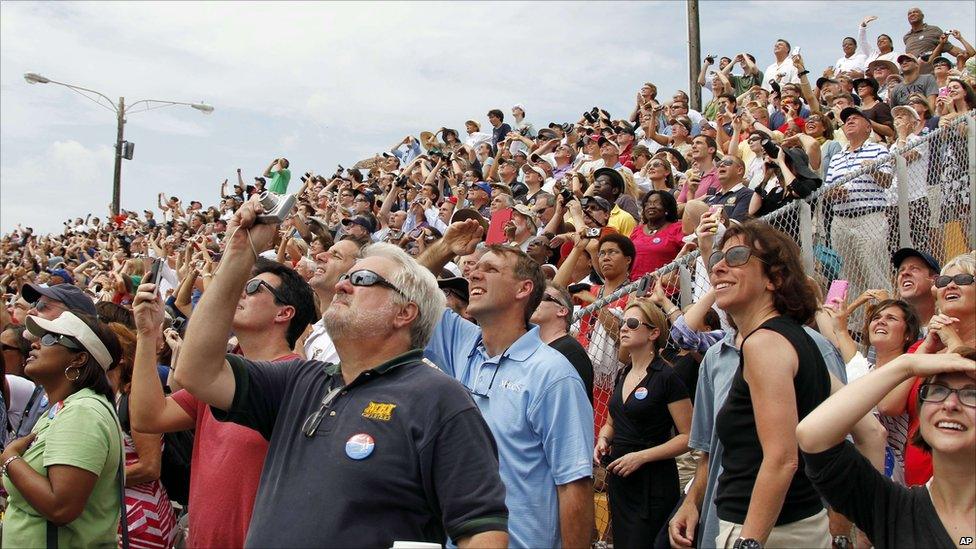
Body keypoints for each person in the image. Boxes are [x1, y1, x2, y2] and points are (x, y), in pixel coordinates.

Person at [170, 199, 509, 547]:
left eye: (362, 279)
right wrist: (240, 253)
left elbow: (482, 532)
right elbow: (196, 371)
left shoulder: (440, 398)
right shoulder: (299, 381)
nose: (342, 286)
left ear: (405, 312)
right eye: (346, 277)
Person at [420, 221, 593, 548]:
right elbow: (400, 288)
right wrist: (444, 248)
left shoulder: (552, 374)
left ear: (524, 289)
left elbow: (574, 486)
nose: (474, 274)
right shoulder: (462, 343)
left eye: (491, 269)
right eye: (475, 268)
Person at [129, 259, 315, 548]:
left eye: (253, 288)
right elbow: (149, 417)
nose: (239, 293)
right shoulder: (220, 376)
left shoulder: (298, 381)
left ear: (284, 312)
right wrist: (146, 335)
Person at [709, 220, 832, 548]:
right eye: (716, 258)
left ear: (775, 278)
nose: (719, 266)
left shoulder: (763, 344)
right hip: (804, 525)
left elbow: (782, 459)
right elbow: (869, 434)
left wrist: (749, 542)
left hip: (767, 532)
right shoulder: (799, 341)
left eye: (736, 256)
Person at [796, 349, 975, 548]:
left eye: (971, 394)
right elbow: (813, 436)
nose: (950, 404)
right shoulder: (893, 510)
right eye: (938, 390)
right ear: (921, 413)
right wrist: (906, 365)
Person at [1, 312, 124, 548]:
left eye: (49, 339)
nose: (34, 344)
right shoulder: (65, 407)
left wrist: (10, 459)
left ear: (78, 359)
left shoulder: (83, 413)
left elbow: (61, 507)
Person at [594, 300, 692, 548]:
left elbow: (689, 436)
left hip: (653, 482)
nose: (623, 328)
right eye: (622, 323)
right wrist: (604, 439)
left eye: (632, 323)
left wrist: (642, 457)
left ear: (653, 332)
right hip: (621, 479)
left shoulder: (667, 377)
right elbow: (611, 422)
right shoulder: (622, 373)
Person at [825, 297, 921, 484]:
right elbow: (844, 340)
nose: (881, 321)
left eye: (891, 318)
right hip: (852, 458)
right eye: (876, 317)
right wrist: (839, 323)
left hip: (889, 469)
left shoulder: (909, 369)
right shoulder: (865, 368)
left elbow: (886, 406)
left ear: (908, 334)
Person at [107, 323, 177, 549]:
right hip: (119, 516)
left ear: (118, 359)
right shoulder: (108, 396)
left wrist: (92, 480)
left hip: (141, 523)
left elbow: (150, 467)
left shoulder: (134, 397)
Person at [824, 107, 893, 304]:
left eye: (855, 118)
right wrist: (834, 193)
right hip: (840, 220)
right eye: (846, 120)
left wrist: (872, 170)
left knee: (875, 271)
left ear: (868, 127)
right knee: (846, 275)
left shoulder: (879, 149)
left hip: (869, 217)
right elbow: (827, 191)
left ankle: (885, 315)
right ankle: (853, 326)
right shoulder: (837, 157)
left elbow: (886, 181)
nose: (850, 121)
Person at [301, 237, 363, 362]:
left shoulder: (348, 337)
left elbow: (313, 381)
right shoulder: (310, 327)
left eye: (336, 256)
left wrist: (296, 345)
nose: (319, 256)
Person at [531, 282, 594, 404]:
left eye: (542, 297)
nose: (533, 301)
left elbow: (576, 407)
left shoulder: (571, 352)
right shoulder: (533, 348)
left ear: (562, 311)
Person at [629, 190, 684, 280]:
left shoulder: (677, 228)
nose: (651, 206)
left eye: (657, 203)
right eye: (648, 203)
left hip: (665, 289)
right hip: (635, 288)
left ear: (667, 208)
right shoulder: (637, 230)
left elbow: (688, 252)